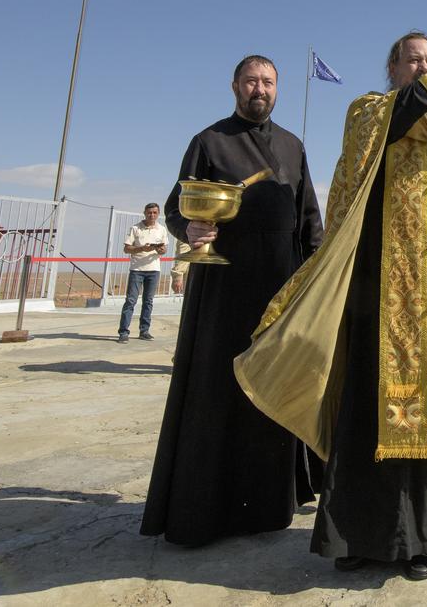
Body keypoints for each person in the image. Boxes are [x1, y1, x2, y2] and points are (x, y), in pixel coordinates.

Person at [235, 31, 427, 582]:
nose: (423, 67)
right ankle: (358, 535)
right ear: (393, 68)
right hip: (380, 290)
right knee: (369, 414)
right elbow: (394, 122)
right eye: (413, 59)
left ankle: (426, 540)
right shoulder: (370, 112)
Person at [141, 54, 325, 546]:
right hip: (223, 289)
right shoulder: (209, 141)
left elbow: (310, 220)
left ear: (277, 89)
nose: (258, 89)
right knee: (217, 393)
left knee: (273, 391)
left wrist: (316, 279)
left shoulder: (293, 146)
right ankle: (206, 509)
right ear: (234, 87)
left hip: (280, 288)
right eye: (250, 81)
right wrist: (189, 226)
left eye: (267, 82)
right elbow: (179, 207)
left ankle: (270, 504)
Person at [117, 203, 167, 343]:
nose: (152, 215)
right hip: (137, 270)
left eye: (155, 212)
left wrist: (160, 250)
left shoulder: (161, 229)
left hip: (154, 269)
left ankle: (144, 330)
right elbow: (127, 249)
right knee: (131, 301)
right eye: (149, 212)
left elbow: (164, 249)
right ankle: (123, 332)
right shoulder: (135, 229)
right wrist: (141, 249)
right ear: (144, 213)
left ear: (158, 214)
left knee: (148, 301)